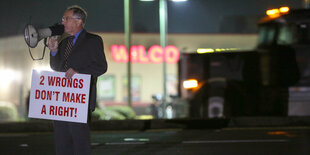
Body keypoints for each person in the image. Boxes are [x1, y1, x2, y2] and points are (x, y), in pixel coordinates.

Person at [47, 5, 107, 155]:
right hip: (62, 98)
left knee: (79, 139)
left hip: (80, 98)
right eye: (63, 19)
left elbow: (101, 66)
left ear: (78, 21)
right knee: (62, 140)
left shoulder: (93, 40)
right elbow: (56, 67)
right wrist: (54, 51)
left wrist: (79, 73)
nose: (63, 22)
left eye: (66, 18)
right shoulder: (64, 42)